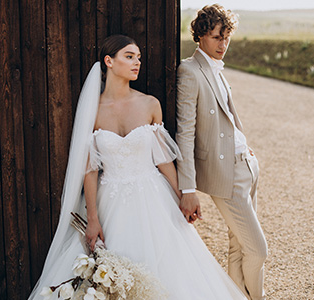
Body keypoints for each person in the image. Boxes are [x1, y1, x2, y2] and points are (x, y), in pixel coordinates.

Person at [29, 34, 246, 300]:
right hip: (110, 201)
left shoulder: (149, 104)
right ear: (109, 61)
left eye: (139, 58)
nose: (137, 63)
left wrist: (184, 195)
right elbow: (90, 170)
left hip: (154, 197)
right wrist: (93, 219)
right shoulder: (92, 110)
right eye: (129, 57)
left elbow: (163, 159)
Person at [176, 4, 268, 300]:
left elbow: (229, 112)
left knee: (238, 246)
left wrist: (245, 145)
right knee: (258, 249)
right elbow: (185, 132)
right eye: (217, 37)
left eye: (226, 37)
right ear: (200, 35)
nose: (223, 44)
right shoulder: (190, 71)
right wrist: (187, 188)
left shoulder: (217, 69)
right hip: (224, 173)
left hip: (246, 166)